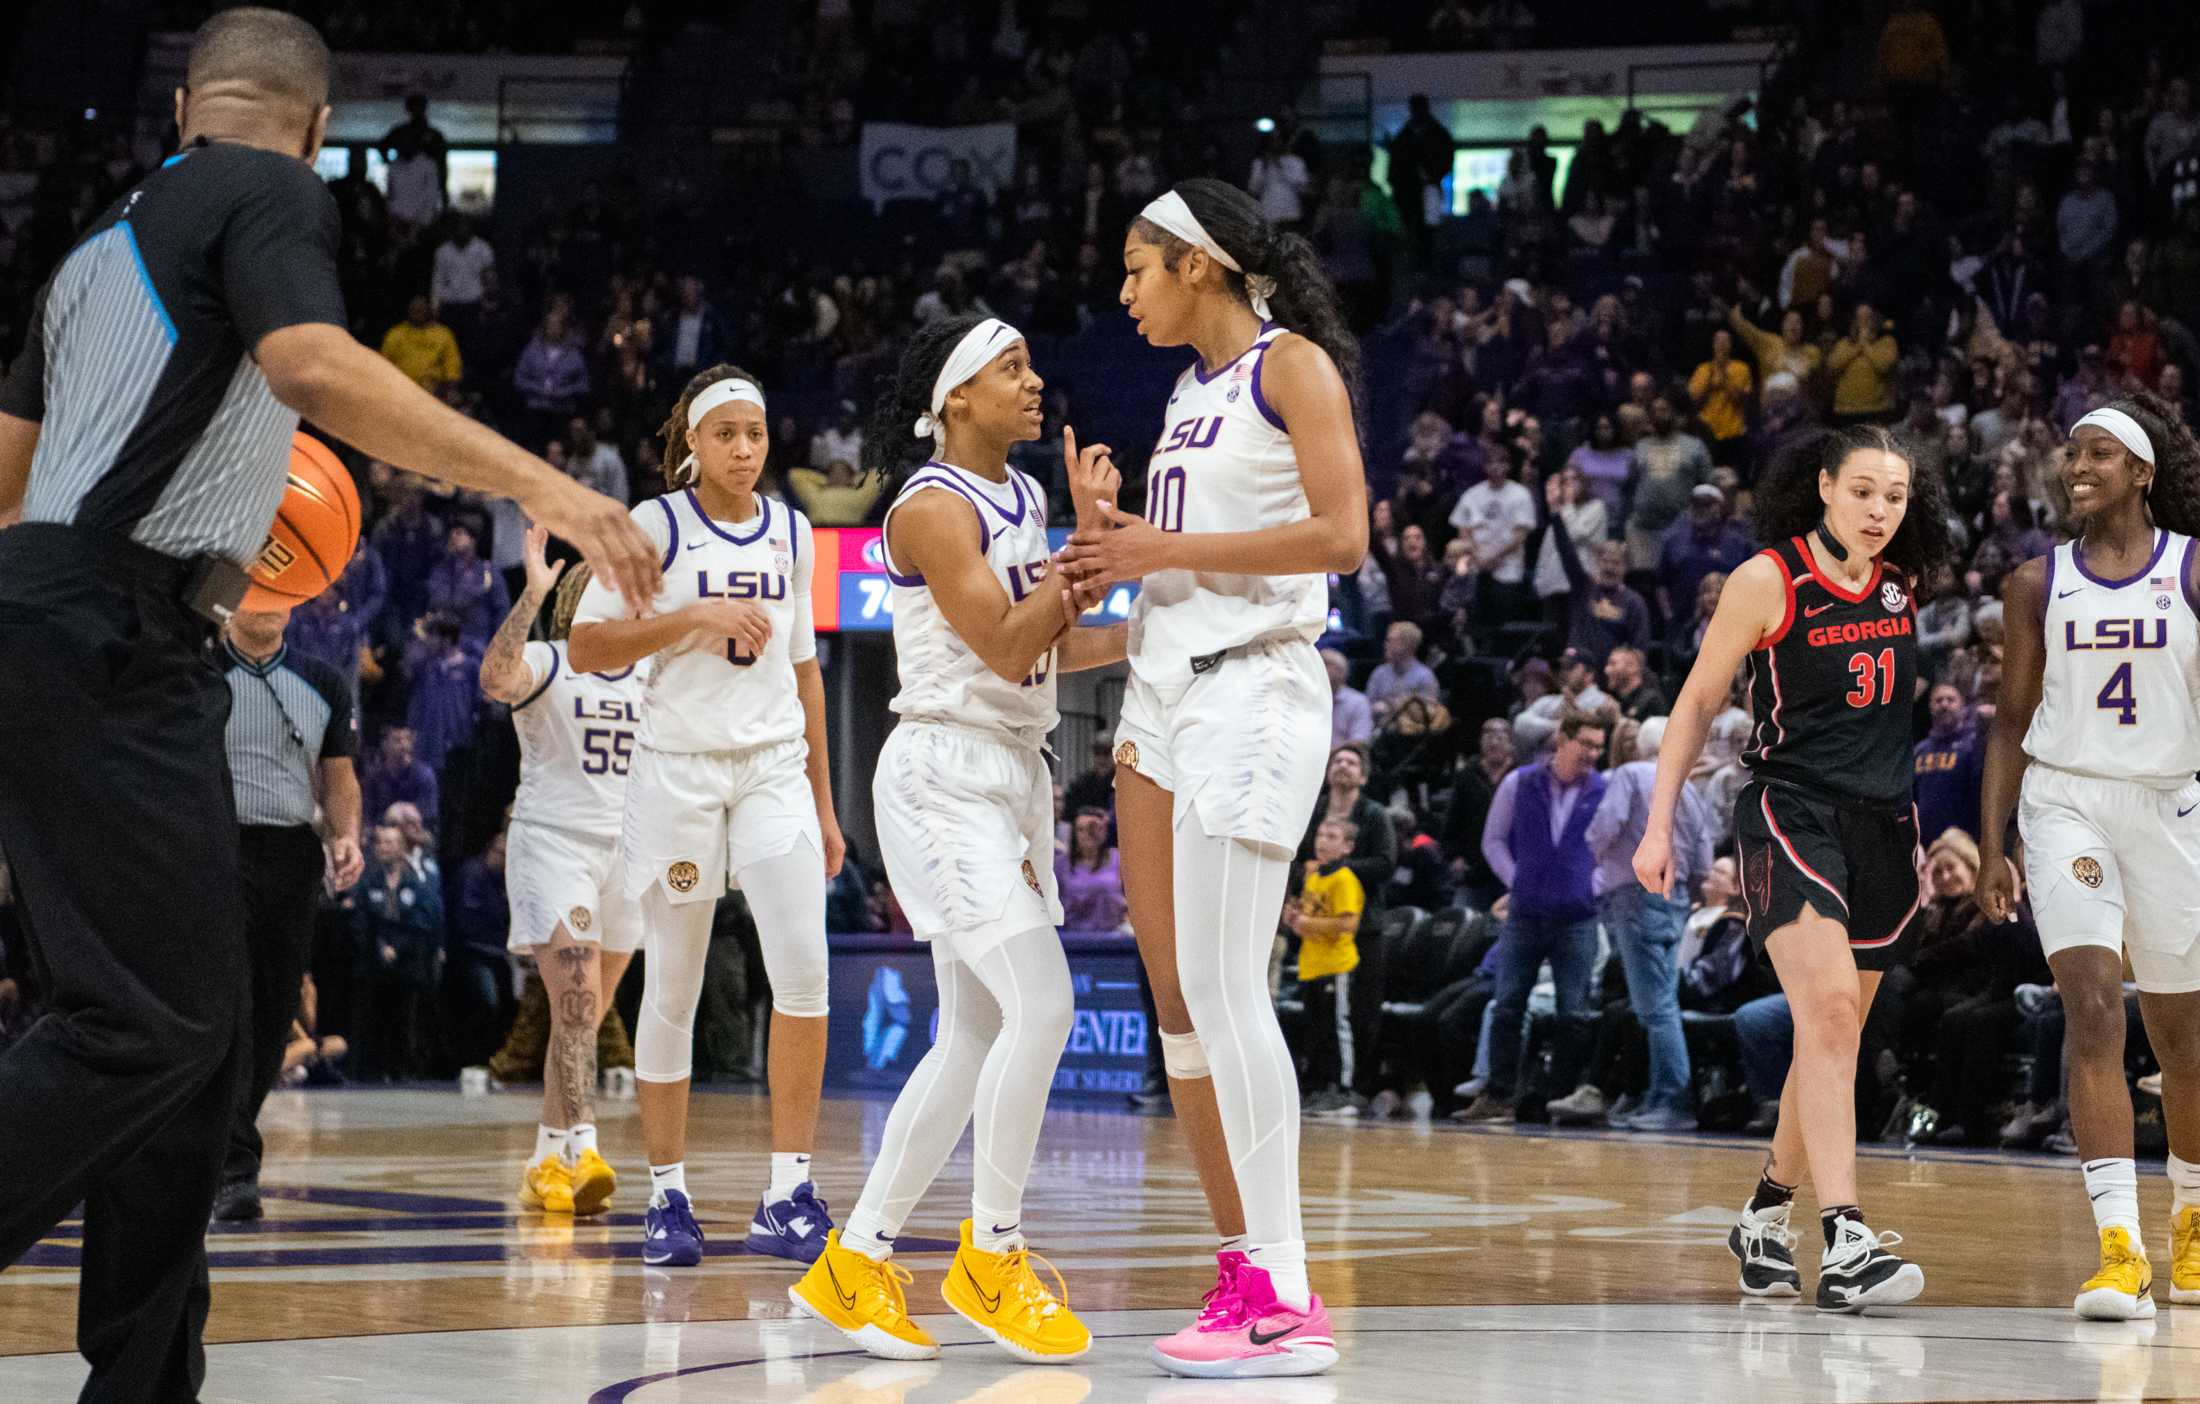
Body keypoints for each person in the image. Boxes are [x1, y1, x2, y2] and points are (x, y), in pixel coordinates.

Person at [0, 12, 651, 1398]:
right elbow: (311, 364)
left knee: (198, 1033)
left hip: (78, 624)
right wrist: (543, 483)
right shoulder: (269, 189)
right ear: (315, 128)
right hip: (114, 632)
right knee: (155, 1024)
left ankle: (145, 1380)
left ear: (184, 103)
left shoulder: (91, 260)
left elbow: (6, 481)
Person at [1059, 178, 1365, 1378]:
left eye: (1139, 268)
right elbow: (1176, 562)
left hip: (1256, 686)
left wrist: (1160, 545)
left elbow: (1341, 536)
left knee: (1233, 992)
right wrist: (1112, 536)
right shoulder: (1187, 394)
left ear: (1197, 263)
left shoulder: (1289, 368)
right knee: (1188, 991)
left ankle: (1286, 1296)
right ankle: (1248, 1271)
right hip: (1176, 687)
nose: (1125, 292)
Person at [792, 317, 1123, 1364]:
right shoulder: (931, 509)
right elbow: (1005, 639)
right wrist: (1087, 548)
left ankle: (854, 1262)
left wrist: (1165, 622)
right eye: (1010, 368)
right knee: (1047, 1004)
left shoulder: (1018, 498)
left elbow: (1053, 651)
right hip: (942, 772)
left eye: (1031, 364)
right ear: (956, 398)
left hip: (1008, 774)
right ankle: (992, 1254)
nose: (1034, 384)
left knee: (976, 1034)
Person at [1634, 426, 1952, 1313]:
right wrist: (1659, 827)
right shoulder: (1768, 580)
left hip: (1885, 830)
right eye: (1862, 491)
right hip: (1787, 812)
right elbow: (1698, 701)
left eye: (1893, 495)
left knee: (1832, 1040)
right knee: (1830, 1013)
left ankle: (1764, 1217)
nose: (1880, 510)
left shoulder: (1902, 585)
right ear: (1822, 487)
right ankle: (1846, 1238)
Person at [567, 365, 843, 1269]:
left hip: (770, 771)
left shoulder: (796, 532)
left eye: (755, 435)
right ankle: (668, 1196)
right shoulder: (654, 526)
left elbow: (805, 670)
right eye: (725, 433)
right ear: (692, 441)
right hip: (677, 773)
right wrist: (689, 619)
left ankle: (786, 1192)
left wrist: (826, 803)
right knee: (674, 987)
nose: (743, 449)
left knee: (804, 969)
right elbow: (588, 644)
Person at [1975, 394, 2200, 1320]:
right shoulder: (2036, 583)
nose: (2078, 467)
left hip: (2174, 805)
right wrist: (1995, 845)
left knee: (2184, 1042)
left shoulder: (2191, 571)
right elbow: (2012, 721)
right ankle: (2120, 1249)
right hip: (2066, 800)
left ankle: (2192, 1222)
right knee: (2094, 1005)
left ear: (2142, 472)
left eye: (2100, 454)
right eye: (2073, 453)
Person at [478, 525, 646, 1219]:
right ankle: (584, 1147)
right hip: (555, 844)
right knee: (575, 1000)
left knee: (582, 1021)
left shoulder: (652, 672)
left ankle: (545, 1160)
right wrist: (533, 595)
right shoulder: (548, 661)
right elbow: (493, 679)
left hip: (628, 854)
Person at [211, 604, 364, 1222]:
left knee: (275, 1012)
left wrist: (346, 836)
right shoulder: (194, 669)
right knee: (231, 1007)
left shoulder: (323, 681)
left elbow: (340, 777)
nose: (271, 602)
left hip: (292, 854)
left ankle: (225, 1154)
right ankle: (231, 1168)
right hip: (212, 845)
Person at [1585, 716, 1712, 1131]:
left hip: (1637, 894)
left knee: (1656, 1007)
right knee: (1660, 1002)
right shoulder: (1690, 788)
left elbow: (1603, 827)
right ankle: (1657, 1097)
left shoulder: (1630, 773)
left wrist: (1601, 859)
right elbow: (1705, 855)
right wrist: (1687, 894)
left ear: (1642, 745)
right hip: (1675, 899)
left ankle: (1673, 1102)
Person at [1285, 818, 1364, 1108]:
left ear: (1347, 847)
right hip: (1311, 964)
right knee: (1315, 1030)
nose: (1323, 840)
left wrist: (1307, 922)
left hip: (1336, 965)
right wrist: (1293, 918)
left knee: (1336, 1028)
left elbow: (1348, 923)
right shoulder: (1314, 876)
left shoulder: (1344, 879)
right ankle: (1318, 1086)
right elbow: (1306, 919)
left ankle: (1342, 1089)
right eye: (1320, 834)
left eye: (1332, 836)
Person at [1911, 681, 1984, 844]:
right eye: (1938, 700)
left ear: (1962, 705)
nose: (1944, 704)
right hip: (1925, 842)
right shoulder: (1920, 751)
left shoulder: (1972, 746)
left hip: (1964, 840)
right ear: (1930, 706)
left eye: (1951, 700)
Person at [1058, 808, 1128, 932]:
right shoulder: (1060, 865)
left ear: (1104, 830)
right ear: (1074, 833)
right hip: (1071, 939)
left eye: (1094, 828)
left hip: (1113, 938)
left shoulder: (1120, 859)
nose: (1087, 834)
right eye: (1081, 829)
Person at [379, 293, 462, 394]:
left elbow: (452, 366)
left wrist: (449, 389)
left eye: (421, 310)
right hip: (401, 389)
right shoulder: (395, 334)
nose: (417, 313)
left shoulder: (443, 334)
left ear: (428, 311)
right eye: (414, 310)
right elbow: (384, 365)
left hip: (433, 392)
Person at [1365, 619, 1440, 723]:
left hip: (1411, 735)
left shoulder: (1425, 677)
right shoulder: (1379, 673)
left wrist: (1391, 708)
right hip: (1378, 732)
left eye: (1390, 641)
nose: (1385, 645)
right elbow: (1365, 708)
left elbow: (1429, 715)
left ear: (1407, 645)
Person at [1323, 647, 1372, 749]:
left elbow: (1359, 742)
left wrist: (1329, 754)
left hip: (1340, 760)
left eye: (1326, 663)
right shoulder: (1307, 700)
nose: (1319, 668)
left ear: (1341, 672)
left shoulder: (1358, 702)